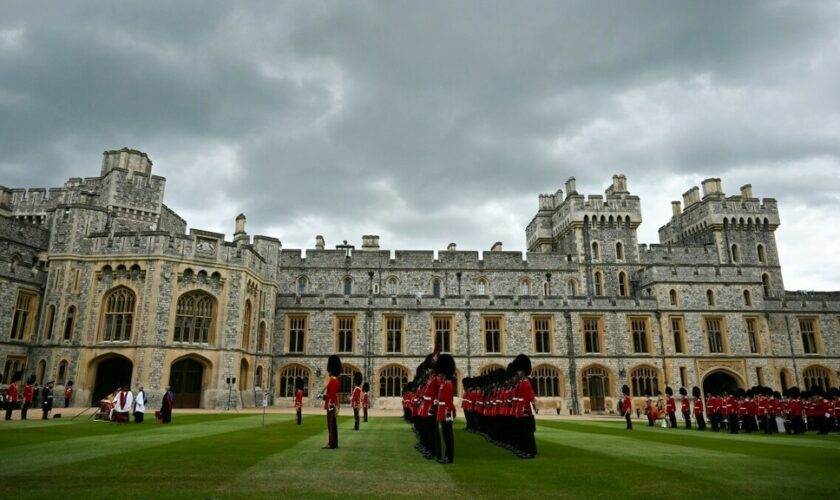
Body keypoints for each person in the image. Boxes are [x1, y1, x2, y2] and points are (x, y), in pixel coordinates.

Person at [435, 354, 456, 464]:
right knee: (446, 435)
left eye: (441, 373)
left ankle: (449, 457)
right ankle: (447, 456)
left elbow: (448, 402)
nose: (439, 375)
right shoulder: (444, 384)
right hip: (442, 412)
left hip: (446, 413)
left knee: (448, 436)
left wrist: (448, 416)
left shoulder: (448, 385)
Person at [323, 355, 341, 449]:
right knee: (332, 425)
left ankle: (332, 443)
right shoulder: (334, 380)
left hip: (331, 406)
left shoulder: (334, 381)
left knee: (331, 425)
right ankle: (333, 443)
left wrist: (325, 397)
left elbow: (332, 395)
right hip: (332, 405)